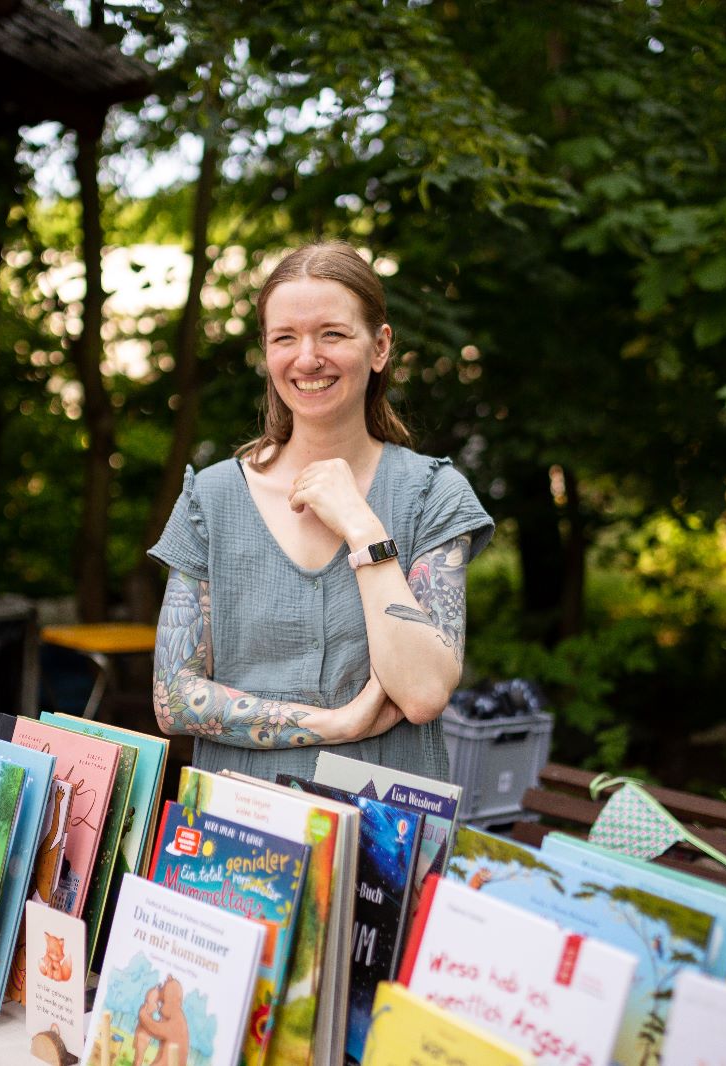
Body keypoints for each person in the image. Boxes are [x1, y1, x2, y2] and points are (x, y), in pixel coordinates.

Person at [149, 241, 494, 781]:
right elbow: (174, 698)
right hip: (234, 831)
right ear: (266, 352)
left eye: (332, 334)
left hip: (386, 832)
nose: (307, 358)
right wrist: (335, 724)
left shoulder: (435, 494)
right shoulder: (210, 499)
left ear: (380, 347)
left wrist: (362, 526)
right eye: (285, 338)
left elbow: (424, 692)